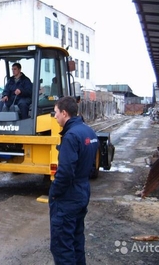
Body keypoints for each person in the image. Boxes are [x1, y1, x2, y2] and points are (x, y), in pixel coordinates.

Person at [49, 96, 99, 265]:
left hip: (68, 197)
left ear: (64, 113)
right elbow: (91, 165)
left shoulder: (70, 136)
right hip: (83, 191)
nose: (54, 116)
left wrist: (54, 192)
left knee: (62, 247)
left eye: (56, 113)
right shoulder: (89, 132)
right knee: (77, 241)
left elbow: (65, 172)